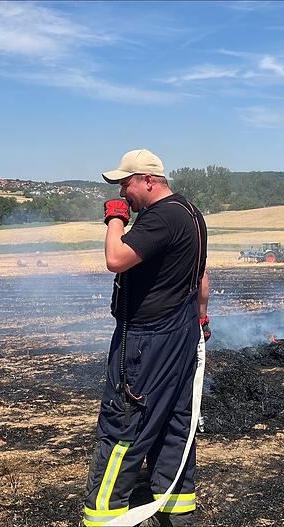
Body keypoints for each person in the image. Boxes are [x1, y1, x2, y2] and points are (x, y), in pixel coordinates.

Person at [83, 149, 209, 527]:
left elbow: (116, 259)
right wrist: (202, 319)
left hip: (146, 340)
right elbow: (201, 276)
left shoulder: (161, 217)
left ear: (148, 180)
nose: (124, 193)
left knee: (124, 422)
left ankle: (103, 516)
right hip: (181, 333)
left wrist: (115, 219)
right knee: (175, 422)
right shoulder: (190, 212)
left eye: (126, 184)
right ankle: (177, 514)